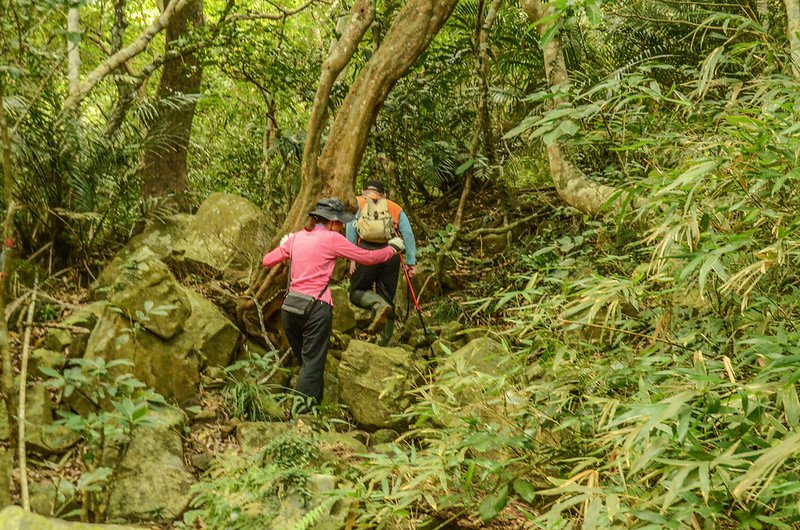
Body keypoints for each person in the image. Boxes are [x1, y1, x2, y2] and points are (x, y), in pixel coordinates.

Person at [262, 197, 405, 409]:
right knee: (312, 364)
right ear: (330, 222)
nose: (340, 227)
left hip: (290, 309)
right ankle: (302, 417)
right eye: (339, 223)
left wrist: (286, 244)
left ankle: (313, 408)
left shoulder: (297, 238)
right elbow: (367, 258)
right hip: (315, 310)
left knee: (307, 362)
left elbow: (267, 261)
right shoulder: (331, 239)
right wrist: (392, 249)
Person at [346, 180, 417, 346]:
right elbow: (408, 233)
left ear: (363, 191)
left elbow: (351, 228)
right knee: (387, 297)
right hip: (390, 253)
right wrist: (411, 261)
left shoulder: (358, 202)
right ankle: (385, 343)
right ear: (384, 195)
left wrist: (352, 257)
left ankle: (378, 304)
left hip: (365, 252)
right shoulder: (393, 207)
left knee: (356, 292)